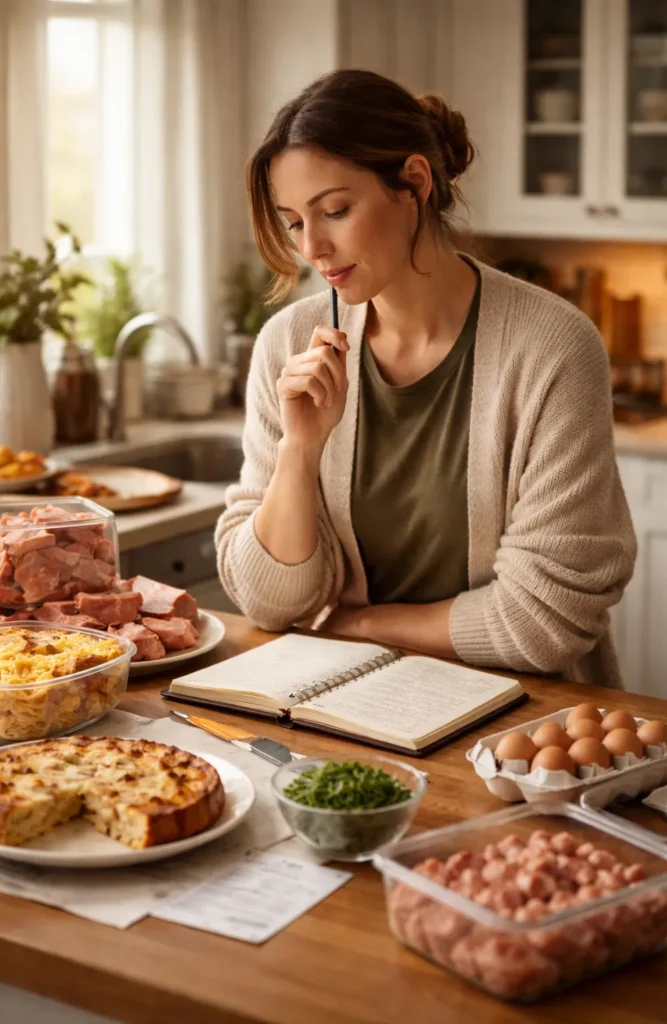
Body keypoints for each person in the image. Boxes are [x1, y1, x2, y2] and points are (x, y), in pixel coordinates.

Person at [215, 68, 636, 687]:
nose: (313, 248)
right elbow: (269, 600)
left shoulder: (551, 349)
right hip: (349, 709)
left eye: (335, 210)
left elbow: (544, 619)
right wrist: (300, 451)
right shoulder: (289, 344)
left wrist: (356, 626)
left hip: (520, 728)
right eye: (295, 222)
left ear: (414, 182)